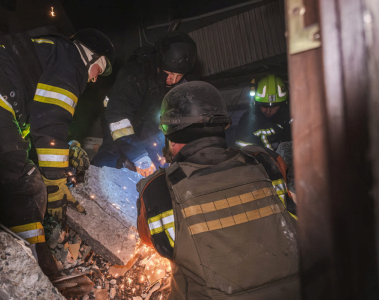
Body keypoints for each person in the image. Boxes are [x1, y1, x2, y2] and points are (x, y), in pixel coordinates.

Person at [0, 28, 114, 274]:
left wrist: (66, 150)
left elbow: (38, 126)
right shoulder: (71, 59)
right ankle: (36, 272)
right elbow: (51, 122)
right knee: (25, 185)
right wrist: (56, 185)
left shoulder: (47, 49)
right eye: (99, 70)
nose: (94, 79)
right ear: (91, 57)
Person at [136, 81, 299, 299]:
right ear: (223, 125)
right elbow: (292, 215)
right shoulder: (265, 161)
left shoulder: (158, 188)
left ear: (171, 135)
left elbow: (155, 243)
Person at [92, 32, 197, 177]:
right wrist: (138, 156)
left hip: (149, 132)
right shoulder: (134, 75)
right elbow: (118, 118)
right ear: (160, 62)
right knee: (111, 156)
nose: (173, 80)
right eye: (170, 73)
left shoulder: (180, 86)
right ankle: (94, 184)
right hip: (121, 129)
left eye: (179, 76)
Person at [235, 74, 291, 150]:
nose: (268, 111)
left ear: (283, 104)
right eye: (264, 106)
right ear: (256, 103)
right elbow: (243, 151)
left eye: (274, 106)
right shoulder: (248, 121)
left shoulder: (290, 117)